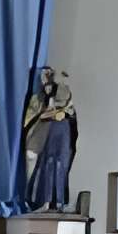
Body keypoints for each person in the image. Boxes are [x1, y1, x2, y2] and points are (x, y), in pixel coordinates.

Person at [20, 66, 79, 212]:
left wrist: (60, 113)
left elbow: (68, 112)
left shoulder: (64, 95)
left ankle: (58, 201)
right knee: (45, 165)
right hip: (41, 138)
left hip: (59, 134)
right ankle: (40, 201)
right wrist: (47, 113)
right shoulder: (38, 99)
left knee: (59, 166)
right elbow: (32, 118)